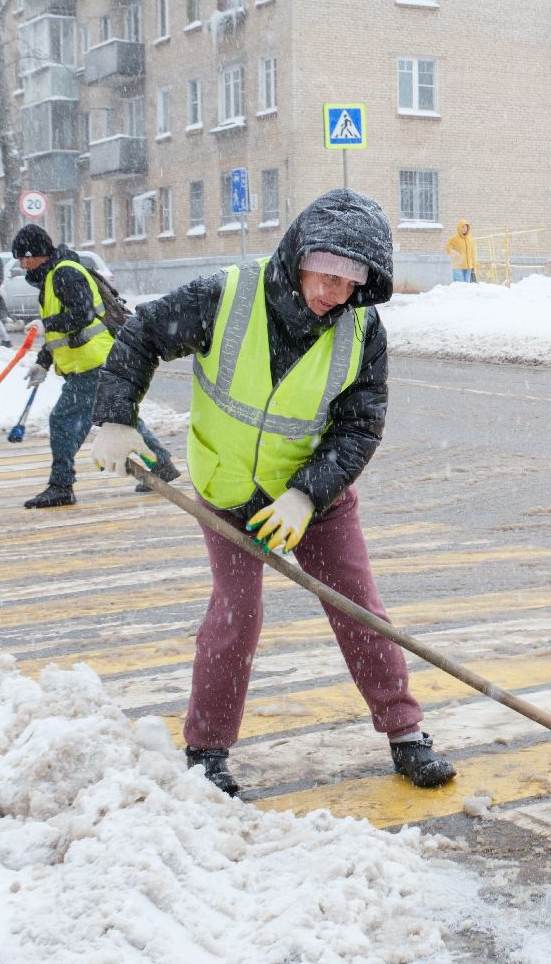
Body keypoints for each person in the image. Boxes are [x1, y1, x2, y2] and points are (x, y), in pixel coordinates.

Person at [88, 189, 456, 796]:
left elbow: (360, 426)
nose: (335, 292)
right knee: (236, 617)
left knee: (359, 610)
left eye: (352, 281)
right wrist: (116, 416)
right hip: (230, 489)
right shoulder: (227, 297)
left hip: (315, 497)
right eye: (328, 273)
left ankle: (406, 734)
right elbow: (143, 333)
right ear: (300, 256)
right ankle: (207, 751)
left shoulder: (362, 331)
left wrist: (307, 495)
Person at [12, 224, 179, 509]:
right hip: (96, 362)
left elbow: (83, 314)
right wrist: (43, 362)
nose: (21, 265)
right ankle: (161, 463)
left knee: (63, 422)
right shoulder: (53, 276)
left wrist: (46, 323)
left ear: (34, 254)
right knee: (117, 419)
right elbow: (62, 333)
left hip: (93, 364)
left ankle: (61, 485)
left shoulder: (64, 273)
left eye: (23, 258)